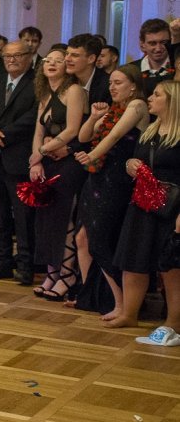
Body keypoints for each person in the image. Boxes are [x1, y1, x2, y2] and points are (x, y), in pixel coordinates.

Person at [108, 80, 180, 331]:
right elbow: (135, 159)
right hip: (143, 202)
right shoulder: (150, 130)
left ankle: (174, 320)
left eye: (157, 95)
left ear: (172, 101)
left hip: (171, 206)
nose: (150, 98)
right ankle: (129, 314)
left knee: (171, 266)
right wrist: (130, 165)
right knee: (133, 258)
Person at [74, 67, 145, 314]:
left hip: (116, 180)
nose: (112, 87)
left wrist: (92, 155)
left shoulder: (137, 105)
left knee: (101, 240)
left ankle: (121, 302)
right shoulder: (113, 111)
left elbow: (115, 136)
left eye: (118, 83)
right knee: (82, 238)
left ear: (133, 86)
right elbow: (84, 136)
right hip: (97, 179)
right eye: (111, 83)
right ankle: (89, 296)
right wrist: (93, 117)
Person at [0, 43, 40, 281]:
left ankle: (25, 265)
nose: (11, 60)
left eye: (17, 55)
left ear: (29, 57)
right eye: (7, 56)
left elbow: (34, 116)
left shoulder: (37, 83)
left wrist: (2, 135)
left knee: (23, 217)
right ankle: (1, 261)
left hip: (18, 156)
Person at [28, 46, 87, 296]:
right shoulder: (44, 93)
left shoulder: (74, 90)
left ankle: (68, 275)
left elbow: (72, 129)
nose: (51, 64)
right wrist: (36, 161)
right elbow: (38, 130)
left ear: (67, 66)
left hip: (69, 161)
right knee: (47, 221)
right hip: (49, 160)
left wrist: (42, 150)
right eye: (47, 60)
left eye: (58, 60)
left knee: (64, 219)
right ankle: (52, 273)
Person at [119, 17, 173, 97]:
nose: (158, 48)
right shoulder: (130, 71)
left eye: (163, 42)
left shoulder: (177, 68)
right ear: (142, 45)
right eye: (152, 43)